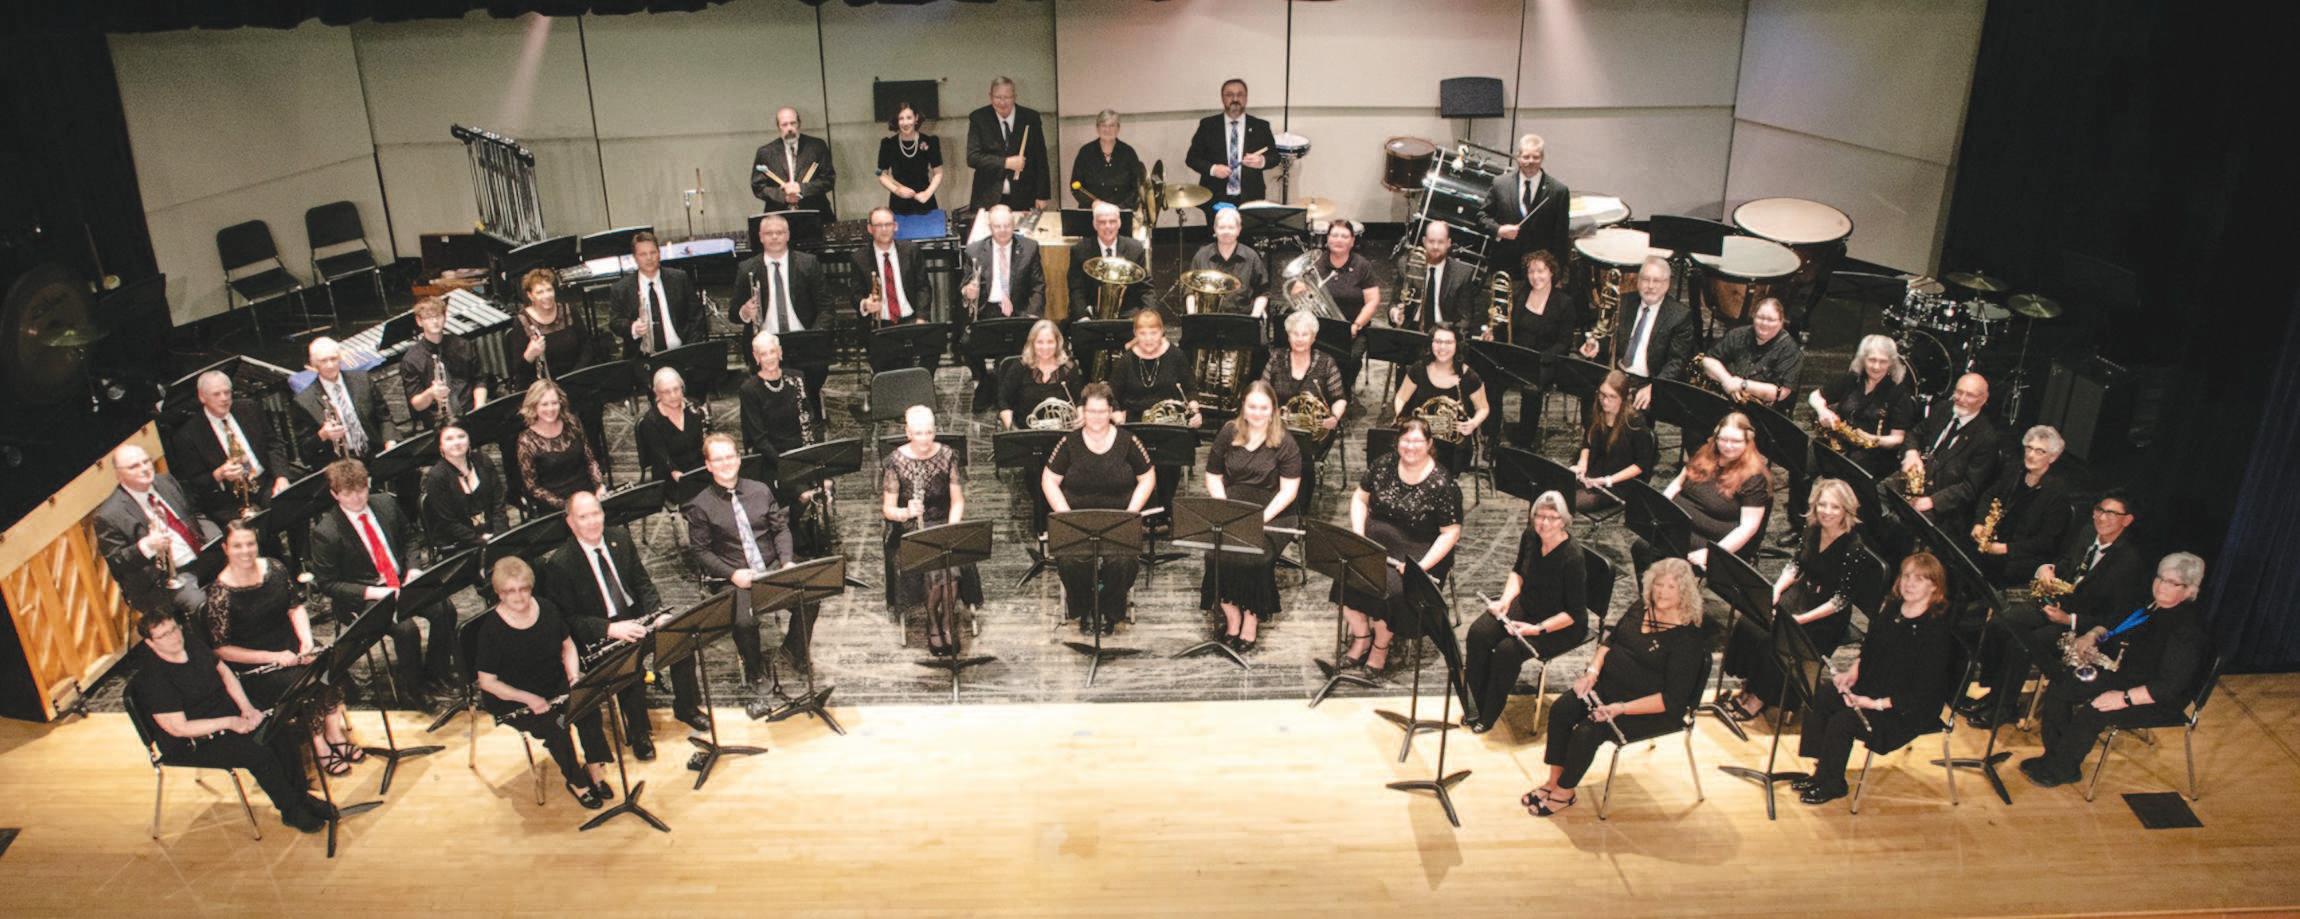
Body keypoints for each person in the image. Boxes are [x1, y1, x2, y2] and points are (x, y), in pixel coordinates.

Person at [1522, 558, 1708, 817]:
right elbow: (1610, 642)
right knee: (1562, 709)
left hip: (1646, 708)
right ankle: (1553, 782)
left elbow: (1671, 700)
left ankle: (1565, 792)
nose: (1662, 593)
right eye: (1658, 585)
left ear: (1684, 592)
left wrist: (1620, 708)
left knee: (1588, 731)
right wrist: (1592, 673)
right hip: (1608, 687)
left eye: (1671, 587)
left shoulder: (1687, 638)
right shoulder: (1642, 607)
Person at [540, 492, 706, 766]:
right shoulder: (561, 563)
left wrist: (658, 615)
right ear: (570, 522)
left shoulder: (620, 537)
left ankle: (686, 707)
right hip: (603, 631)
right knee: (629, 670)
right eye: (583, 517)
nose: (593, 521)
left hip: (636, 616)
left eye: (596, 513)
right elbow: (567, 619)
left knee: (680, 641)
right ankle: (639, 732)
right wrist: (610, 629)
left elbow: (642, 582)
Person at [2019, 552, 2209, 789]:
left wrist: (2123, 698)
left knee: (2094, 710)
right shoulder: (2149, 605)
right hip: (2124, 674)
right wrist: (2092, 636)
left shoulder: (2186, 629)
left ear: (2189, 590)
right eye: (2160, 578)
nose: (2161, 586)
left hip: (2154, 697)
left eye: (2172, 583)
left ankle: (2063, 768)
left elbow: (2170, 686)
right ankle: (2054, 757)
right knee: (2061, 686)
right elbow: (2112, 623)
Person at [128, 612, 330, 833]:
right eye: (164, 635)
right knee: (258, 752)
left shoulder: (191, 644)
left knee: (281, 730)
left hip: (225, 712)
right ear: (150, 643)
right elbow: (178, 728)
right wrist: (230, 722)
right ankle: (291, 810)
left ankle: (301, 796)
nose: (174, 637)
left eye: (174, 629)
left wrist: (247, 708)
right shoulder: (153, 679)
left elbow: (225, 673)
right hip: (193, 740)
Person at [1965, 488, 2151, 723]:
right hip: (2056, 604)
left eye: (2111, 514)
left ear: (2127, 520)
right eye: (2099, 510)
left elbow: (2113, 617)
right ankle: (1993, 693)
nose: (2102, 518)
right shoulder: (2087, 533)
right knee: (1999, 624)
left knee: (2021, 644)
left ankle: (2003, 708)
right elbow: (2065, 562)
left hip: (2081, 626)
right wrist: (2047, 569)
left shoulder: (2129, 562)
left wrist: (2069, 619)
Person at [1791, 551, 1959, 805]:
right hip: (1873, 685)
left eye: (1920, 579)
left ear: (1934, 587)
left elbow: (1923, 691)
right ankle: (1822, 771)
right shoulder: (1893, 608)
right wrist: (1852, 673)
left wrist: (1872, 703)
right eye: (1906, 576)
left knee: (1843, 721)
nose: (1909, 584)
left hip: (1904, 708)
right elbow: (1870, 646)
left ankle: (1832, 784)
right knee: (1821, 695)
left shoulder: (1935, 631)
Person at [199, 520, 354, 774]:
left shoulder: (275, 568)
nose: (246, 551)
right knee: (306, 684)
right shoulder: (220, 595)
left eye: (250, 544)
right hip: (257, 665)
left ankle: (333, 733)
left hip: (291, 647)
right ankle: (319, 745)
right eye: (238, 546)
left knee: (332, 665)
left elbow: (295, 608)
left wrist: (306, 642)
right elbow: (221, 649)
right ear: (225, 548)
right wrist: (273, 656)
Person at [472, 556, 613, 809]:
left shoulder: (546, 608)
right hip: (514, 697)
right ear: (499, 593)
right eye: (510, 591)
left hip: (553, 682)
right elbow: (488, 682)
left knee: (587, 707)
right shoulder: (491, 630)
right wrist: (529, 699)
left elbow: (568, 645)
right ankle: (576, 781)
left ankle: (594, 768)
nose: (519, 596)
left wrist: (573, 676)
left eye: (523, 588)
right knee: (556, 726)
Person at [307, 459, 454, 698]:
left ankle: (437, 673)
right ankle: (414, 690)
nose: (356, 498)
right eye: (348, 494)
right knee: (406, 630)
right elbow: (328, 583)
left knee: (444, 610)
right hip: (365, 595)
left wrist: (413, 569)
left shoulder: (386, 503)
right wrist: (375, 592)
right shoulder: (326, 531)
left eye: (361, 490)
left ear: (368, 484)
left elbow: (410, 538)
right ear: (335, 494)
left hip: (401, 580)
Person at [1721, 478, 1864, 722]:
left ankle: (1760, 697)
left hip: (1826, 614)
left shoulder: (1854, 547)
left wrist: (1802, 619)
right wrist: (1775, 591)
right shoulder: (1812, 528)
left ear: (1846, 510)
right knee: (1751, 623)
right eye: (1823, 504)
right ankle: (1750, 684)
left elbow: (1841, 599)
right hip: (1802, 593)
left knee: (1778, 641)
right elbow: (1795, 565)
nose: (1827, 512)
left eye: (1835, 507)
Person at [1340, 417, 1463, 671]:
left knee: (1391, 592)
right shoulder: (1383, 465)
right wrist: (1358, 535)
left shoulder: (1443, 483)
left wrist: (1420, 567)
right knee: (1345, 575)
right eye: (1406, 440)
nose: (1410, 446)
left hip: (1420, 548)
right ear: (1397, 442)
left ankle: (1380, 647)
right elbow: (1360, 499)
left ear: (1429, 443)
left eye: (1417, 441)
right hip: (1377, 541)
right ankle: (1362, 637)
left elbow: (1450, 533)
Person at [1464, 491, 1589, 733]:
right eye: (1539, 516)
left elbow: (1574, 613)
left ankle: (1489, 713)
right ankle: (1474, 704)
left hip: (1561, 623)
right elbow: (1518, 572)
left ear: (1563, 521)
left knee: (1507, 651)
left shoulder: (1572, 557)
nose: (1544, 523)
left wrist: (1537, 629)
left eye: (1551, 518)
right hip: (1530, 603)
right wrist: (1505, 601)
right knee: (1479, 633)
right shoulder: (1531, 535)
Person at [684, 433, 800, 684]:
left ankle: (793, 650)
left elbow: (780, 529)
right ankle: (754, 669)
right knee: (744, 623)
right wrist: (733, 575)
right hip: (733, 575)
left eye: (730, 457)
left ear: (738, 459)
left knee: (810, 598)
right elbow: (700, 551)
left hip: (770, 566)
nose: (726, 463)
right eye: (718, 459)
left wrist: (787, 561)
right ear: (708, 465)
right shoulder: (700, 505)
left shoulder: (760, 490)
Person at [1041, 383, 1155, 634]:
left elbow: (1148, 477)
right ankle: (1085, 607)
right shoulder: (1069, 442)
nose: (1096, 417)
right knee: (1071, 561)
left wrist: (1131, 514)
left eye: (1102, 411)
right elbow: (1049, 479)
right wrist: (1065, 516)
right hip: (1077, 522)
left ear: (1111, 411)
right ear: (1083, 411)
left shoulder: (1128, 441)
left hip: (1118, 521)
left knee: (1123, 562)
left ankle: (1109, 610)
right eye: (1091, 411)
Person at [1201, 381, 1304, 653]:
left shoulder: (1286, 442)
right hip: (1233, 508)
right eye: (1252, 407)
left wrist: (1258, 520)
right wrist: (1223, 508)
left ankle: (1251, 617)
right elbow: (1213, 474)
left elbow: (1289, 492)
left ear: (1273, 410)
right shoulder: (1229, 432)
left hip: (1273, 513)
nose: (1257, 413)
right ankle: (1232, 614)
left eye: (1263, 408)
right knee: (1214, 555)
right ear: (1243, 408)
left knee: (1255, 558)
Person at [881, 407, 981, 656]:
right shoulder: (895, 461)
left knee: (950, 569)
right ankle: (933, 621)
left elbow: (957, 501)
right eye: (918, 433)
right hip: (909, 530)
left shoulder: (948, 455)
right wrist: (906, 512)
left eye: (929, 432)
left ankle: (947, 619)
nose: (925, 439)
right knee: (934, 569)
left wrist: (952, 528)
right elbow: (888, 510)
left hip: (944, 523)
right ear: (908, 432)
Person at [1634, 412, 1771, 574]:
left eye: (1736, 441)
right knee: (1641, 548)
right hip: (1679, 527)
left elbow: (1748, 527)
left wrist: (1711, 553)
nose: (1728, 446)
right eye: (1723, 439)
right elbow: (1678, 483)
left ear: (1748, 442)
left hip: (1711, 541)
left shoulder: (1754, 477)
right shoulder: (1706, 453)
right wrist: (1660, 511)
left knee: (1673, 566)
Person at [93, 444, 217, 617]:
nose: (144, 468)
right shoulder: (109, 515)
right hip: (163, 581)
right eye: (134, 466)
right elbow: (117, 563)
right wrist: (147, 546)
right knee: (202, 605)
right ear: (119, 475)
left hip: (200, 556)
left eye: (146, 461)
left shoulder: (165, 481)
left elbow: (192, 512)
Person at [733, 214, 830, 416]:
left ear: (788, 235)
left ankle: (811, 416)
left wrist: (816, 336)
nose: (775, 237)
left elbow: (826, 306)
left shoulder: (808, 263)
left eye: (779, 232)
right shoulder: (747, 268)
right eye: (769, 233)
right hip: (767, 344)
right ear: (760, 237)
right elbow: (734, 313)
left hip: (804, 340)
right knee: (773, 405)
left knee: (810, 392)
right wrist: (745, 312)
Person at [1110, 309, 1199, 529]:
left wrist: (1194, 407)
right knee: (1137, 462)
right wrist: (1116, 412)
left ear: (1162, 332)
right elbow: (1112, 396)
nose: (1148, 338)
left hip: (1168, 421)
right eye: (1143, 333)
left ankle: (1165, 510)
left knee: (1169, 458)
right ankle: (1144, 510)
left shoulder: (1176, 356)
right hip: (1135, 422)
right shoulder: (1126, 361)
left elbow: (1190, 388)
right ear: (1135, 334)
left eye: (1153, 332)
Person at [170, 370, 291, 525]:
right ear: (202, 397)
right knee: (247, 530)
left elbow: (273, 444)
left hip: (263, 481)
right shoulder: (188, 434)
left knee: (291, 506)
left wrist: (281, 477)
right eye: (216, 394)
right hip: (228, 498)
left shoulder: (249, 408)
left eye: (227, 392)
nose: (224, 398)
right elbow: (194, 483)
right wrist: (219, 474)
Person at [1579, 257, 1694, 413]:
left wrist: (1654, 388)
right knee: (1589, 398)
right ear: (1638, 281)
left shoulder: (1679, 315)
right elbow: (1608, 335)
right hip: (1617, 372)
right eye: (1645, 279)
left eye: (1656, 281)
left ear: (1667, 284)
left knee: (1636, 416)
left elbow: (1677, 361)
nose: (1650, 286)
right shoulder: (1623, 302)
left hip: (1647, 381)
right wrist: (1596, 345)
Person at [964, 204, 1049, 410]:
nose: (1002, 230)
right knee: (966, 343)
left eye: (1007, 226)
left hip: (1019, 310)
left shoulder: (1029, 248)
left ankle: (1011, 387)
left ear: (1013, 225)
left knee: (1014, 346)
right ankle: (985, 381)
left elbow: (1038, 286)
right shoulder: (974, 250)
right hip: (988, 310)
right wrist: (968, 291)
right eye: (997, 226)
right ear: (990, 227)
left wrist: (1032, 315)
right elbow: (964, 285)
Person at [1896, 372, 2001, 538]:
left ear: (1983, 400)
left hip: (1943, 504)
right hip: (1915, 482)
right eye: (1959, 392)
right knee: (1874, 495)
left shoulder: (1986, 438)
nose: (1961, 399)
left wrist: (1933, 501)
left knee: (1901, 526)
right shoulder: (1943, 408)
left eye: (1970, 395)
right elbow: (1914, 434)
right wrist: (1911, 453)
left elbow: (1970, 487)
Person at [1967, 425, 2075, 587]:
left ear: (2052, 457)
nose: (2031, 455)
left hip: (2022, 557)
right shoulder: (2015, 471)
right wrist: (1979, 523)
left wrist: (2006, 548)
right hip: (1994, 542)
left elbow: (2046, 541)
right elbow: (1989, 496)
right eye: (2029, 448)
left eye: (2039, 451)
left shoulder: (2057, 492)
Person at [1491, 249, 1578, 447]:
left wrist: (1541, 358)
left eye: (1540, 271)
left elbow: (1564, 343)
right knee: (1491, 381)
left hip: (1544, 362)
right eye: (1531, 271)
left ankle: (1524, 442)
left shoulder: (1564, 303)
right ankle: (1492, 436)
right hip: (1516, 358)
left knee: (1532, 389)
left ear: (1551, 272)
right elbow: (1505, 328)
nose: (1535, 276)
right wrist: (1493, 333)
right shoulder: (1519, 294)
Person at [1262, 308, 1348, 503]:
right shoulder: (1276, 358)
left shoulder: (1326, 363)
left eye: (1304, 334)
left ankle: (1299, 504)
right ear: (1288, 336)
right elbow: (1263, 392)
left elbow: (1339, 398)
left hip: (1314, 432)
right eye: (1295, 334)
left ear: (1313, 337)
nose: (1299, 339)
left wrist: (1334, 418)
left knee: (1299, 453)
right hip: (1279, 425)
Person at [1807, 334, 1915, 479]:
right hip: (1839, 441)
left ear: (1891, 363)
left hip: (1873, 454)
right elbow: (1815, 396)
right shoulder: (1852, 379)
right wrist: (1823, 411)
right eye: (1872, 360)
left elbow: (1898, 438)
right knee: (1805, 463)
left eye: (1883, 361)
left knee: (1848, 473)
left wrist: (1873, 439)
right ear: (1863, 359)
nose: (1876, 366)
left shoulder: (1899, 393)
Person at [1391, 325, 1491, 475]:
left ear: (1457, 345)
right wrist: (1403, 419)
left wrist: (1473, 423)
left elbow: (1483, 408)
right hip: (1421, 438)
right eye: (1438, 341)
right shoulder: (1419, 369)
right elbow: (1401, 397)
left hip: (1453, 445)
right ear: (1431, 344)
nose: (1442, 347)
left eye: (1448, 342)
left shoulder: (1469, 377)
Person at [292, 336, 396, 467]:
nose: (330, 365)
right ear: (314, 364)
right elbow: (305, 453)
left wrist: (390, 441)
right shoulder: (304, 401)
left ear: (340, 358)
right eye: (323, 361)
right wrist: (322, 435)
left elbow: (384, 417)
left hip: (374, 450)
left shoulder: (362, 380)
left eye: (333, 359)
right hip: (340, 464)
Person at [1480, 133, 1570, 278]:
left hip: (1540, 272)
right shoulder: (1500, 184)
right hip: (1504, 266)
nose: (1531, 161)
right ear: (1518, 157)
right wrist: (1499, 230)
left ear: (1542, 158)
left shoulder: (1558, 191)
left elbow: (1561, 238)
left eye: (1536, 157)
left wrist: (1558, 275)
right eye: (1526, 157)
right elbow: (1482, 217)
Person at [1568, 370, 1657, 514]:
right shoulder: (1597, 412)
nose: (1605, 401)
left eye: (1612, 397)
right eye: (1602, 394)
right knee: (1556, 489)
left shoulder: (1635, 423)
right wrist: (1582, 465)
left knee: (1571, 501)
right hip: (1595, 471)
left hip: (1620, 482)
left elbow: (1641, 464)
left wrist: (1607, 480)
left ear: (1623, 398)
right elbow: (1587, 444)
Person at [608, 231, 706, 359]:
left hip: (681, 354)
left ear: (659, 254)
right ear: (635, 258)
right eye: (643, 254)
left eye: (653, 252)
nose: (649, 258)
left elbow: (697, 317)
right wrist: (633, 328)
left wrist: (689, 350)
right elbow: (615, 322)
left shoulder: (679, 279)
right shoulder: (621, 288)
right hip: (642, 358)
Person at [398, 295, 487, 431]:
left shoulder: (463, 345)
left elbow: (479, 380)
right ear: (419, 321)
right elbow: (417, 405)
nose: (435, 321)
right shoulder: (411, 360)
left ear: (445, 317)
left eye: (438, 316)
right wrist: (431, 393)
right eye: (429, 318)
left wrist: (479, 406)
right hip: (438, 424)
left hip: (470, 413)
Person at [1185, 78, 1275, 211]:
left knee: (1249, 226)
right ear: (1222, 98)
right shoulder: (1208, 125)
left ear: (1246, 98)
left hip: (1251, 197)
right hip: (1215, 197)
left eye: (1240, 94)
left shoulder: (1261, 126)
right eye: (1229, 95)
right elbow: (1192, 158)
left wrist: (1262, 161)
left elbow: (1275, 156)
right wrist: (1213, 169)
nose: (1235, 99)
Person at [1696, 297, 1803, 409]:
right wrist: (1727, 381)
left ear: (1781, 322)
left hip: (1764, 410)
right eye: (1760, 317)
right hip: (1726, 398)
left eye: (1771, 320)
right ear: (1753, 317)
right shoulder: (1737, 335)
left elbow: (1781, 393)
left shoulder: (1790, 350)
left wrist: (1742, 385)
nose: (1764, 323)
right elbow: (1708, 360)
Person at [964, 76, 1050, 212]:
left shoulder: (1030, 117)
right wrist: (1006, 163)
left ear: (1015, 97)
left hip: (1024, 196)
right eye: (998, 97)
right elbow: (973, 158)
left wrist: (1042, 195)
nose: (1002, 102)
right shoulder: (979, 118)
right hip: (987, 196)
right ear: (990, 97)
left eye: (1007, 97)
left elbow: (1041, 158)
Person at [514, 379, 602, 512]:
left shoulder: (573, 423)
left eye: (554, 403)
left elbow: (590, 460)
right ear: (534, 406)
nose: (550, 409)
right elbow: (533, 487)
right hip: (556, 505)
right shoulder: (526, 440)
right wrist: (567, 506)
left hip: (586, 495)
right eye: (544, 404)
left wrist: (599, 486)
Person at [420, 422, 506, 552]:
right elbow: (448, 523)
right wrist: (481, 541)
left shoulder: (483, 460)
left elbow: (499, 503)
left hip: (493, 535)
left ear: (469, 439)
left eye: (461, 436)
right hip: (460, 545)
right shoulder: (436, 477)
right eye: (449, 439)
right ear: (440, 445)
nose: (457, 442)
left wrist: (499, 536)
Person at [1066, 201, 1152, 322]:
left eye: (1112, 221)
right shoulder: (1080, 250)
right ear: (1095, 224)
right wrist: (1082, 316)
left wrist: (1148, 316)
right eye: (1102, 222)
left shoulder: (1135, 248)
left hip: (1127, 314)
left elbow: (1146, 288)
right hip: (1092, 315)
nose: (1108, 226)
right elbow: (1076, 289)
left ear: (1119, 223)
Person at [1391, 221, 1480, 336]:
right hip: (1412, 330)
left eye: (1440, 242)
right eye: (1431, 241)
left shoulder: (1462, 273)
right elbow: (1394, 303)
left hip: (1446, 332)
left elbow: (1465, 319)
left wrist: (1450, 334)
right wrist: (1394, 313)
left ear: (1448, 243)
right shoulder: (1406, 265)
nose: (1435, 247)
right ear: (1424, 241)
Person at [509, 268, 593, 389]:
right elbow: (519, 371)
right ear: (530, 296)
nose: (547, 296)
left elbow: (587, 346)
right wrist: (530, 354)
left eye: (549, 290)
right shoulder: (522, 321)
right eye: (540, 292)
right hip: (543, 387)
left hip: (575, 379)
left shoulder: (568, 310)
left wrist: (575, 376)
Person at [854, 207, 933, 330]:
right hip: (879, 325)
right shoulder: (859, 258)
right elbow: (855, 294)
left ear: (895, 226)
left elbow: (923, 287)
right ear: (870, 229)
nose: (884, 229)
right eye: (878, 225)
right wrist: (865, 304)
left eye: (888, 224)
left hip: (911, 321)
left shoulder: (911, 251)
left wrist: (921, 318)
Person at [1188, 206, 1271, 320]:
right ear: (1215, 229)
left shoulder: (1251, 256)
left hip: (1243, 319)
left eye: (1231, 227)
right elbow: (1189, 291)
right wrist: (1192, 318)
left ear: (1239, 229)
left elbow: (1263, 292)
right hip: (1207, 320)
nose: (1226, 232)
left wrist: (1254, 318)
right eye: (1221, 227)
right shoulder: (1201, 256)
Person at [751, 106, 835, 214]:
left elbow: (828, 180)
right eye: (784, 124)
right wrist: (784, 196)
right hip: (779, 215)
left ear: (799, 124)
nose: (789, 128)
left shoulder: (817, 146)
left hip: (816, 213)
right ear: (778, 127)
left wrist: (801, 188)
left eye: (793, 123)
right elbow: (758, 187)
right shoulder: (766, 152)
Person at [1000, 319, 1080, 431]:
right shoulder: (1020, 367)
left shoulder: (1069, 368)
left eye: (1050, 342)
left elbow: (1079, 401)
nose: (1045, 347)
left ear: (1058, 343)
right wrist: (1012, 428)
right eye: (1040, 342)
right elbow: (1003, 400)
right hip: (1024, 431)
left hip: (1060, 432)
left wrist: (1080, 415)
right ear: (1032, 343)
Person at [635, 367, 706, 484]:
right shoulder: (650, 421)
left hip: (700, 467)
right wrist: (681, 477)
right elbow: (663, 458)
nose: (673, 395)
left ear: (682, 388)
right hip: (670, 475)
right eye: (666, 392)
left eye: (676, 389)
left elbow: (706, 442)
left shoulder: (695, 407)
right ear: (657, 393)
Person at [876, 101, 944, 216]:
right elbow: (879, 173)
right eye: (901, 118)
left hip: (924, 200)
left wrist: (927, 193)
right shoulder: (888, 144)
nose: (905, 122)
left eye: (909, 118)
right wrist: (897, 190)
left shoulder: (929, 141)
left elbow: (938, 173)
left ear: (916, 118)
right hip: (898, 202)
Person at [1068, 109, 1143, 210]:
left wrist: (1120, 208)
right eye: (1103, 125)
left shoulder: (1128, 153)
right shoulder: (1085, 152)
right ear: (1097, 128)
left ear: (1118, 128)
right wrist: (1094, 204)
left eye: (1112, 126)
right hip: (1091, 211)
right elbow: (1075, 185)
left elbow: (1137, 187)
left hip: (1121, 212)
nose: (1107, 130)